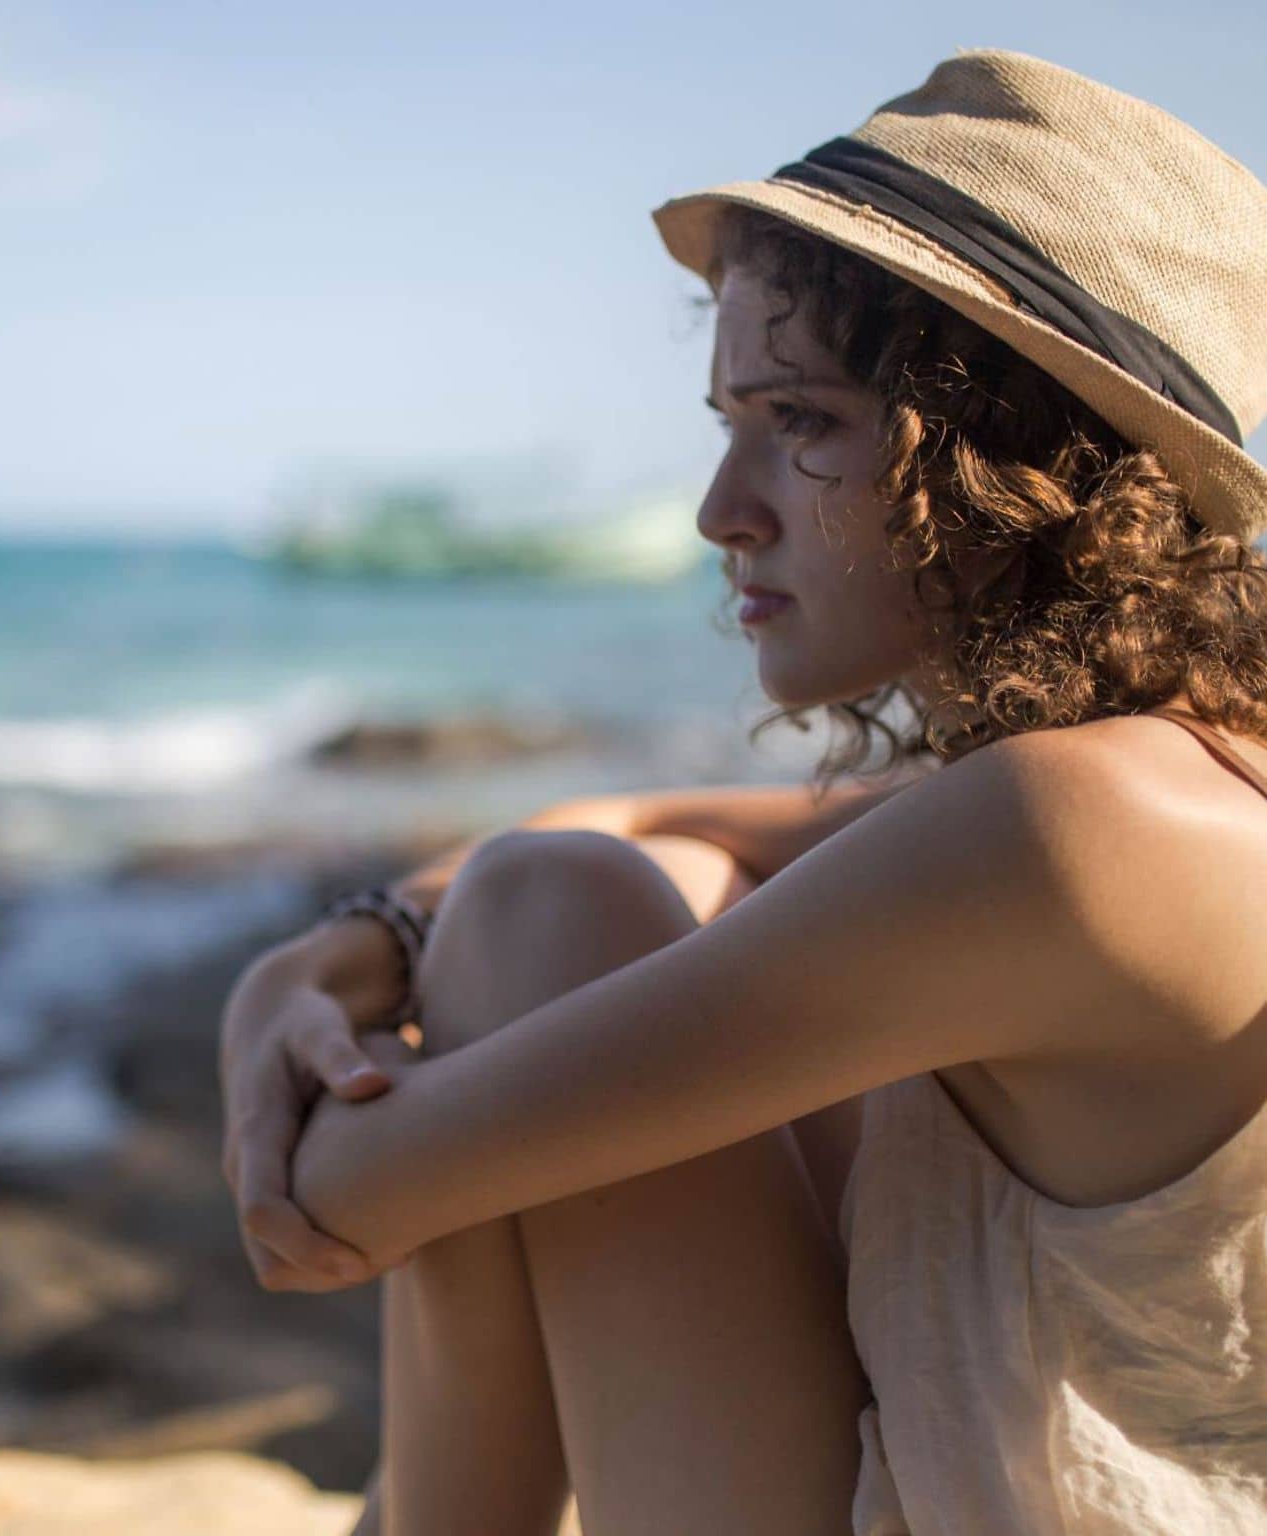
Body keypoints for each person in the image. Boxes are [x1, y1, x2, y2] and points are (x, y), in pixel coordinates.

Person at [218, 49, 1267, 1535]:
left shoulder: (1069, 831)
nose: (723, 513)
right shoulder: (1172, 774)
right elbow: (651, 825)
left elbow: (346, 1192)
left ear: (1012, 461)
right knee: (572, 891)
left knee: (536, 912)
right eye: (728, 423)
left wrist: (285, 1056)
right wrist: (334, 949)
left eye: (804, 424)